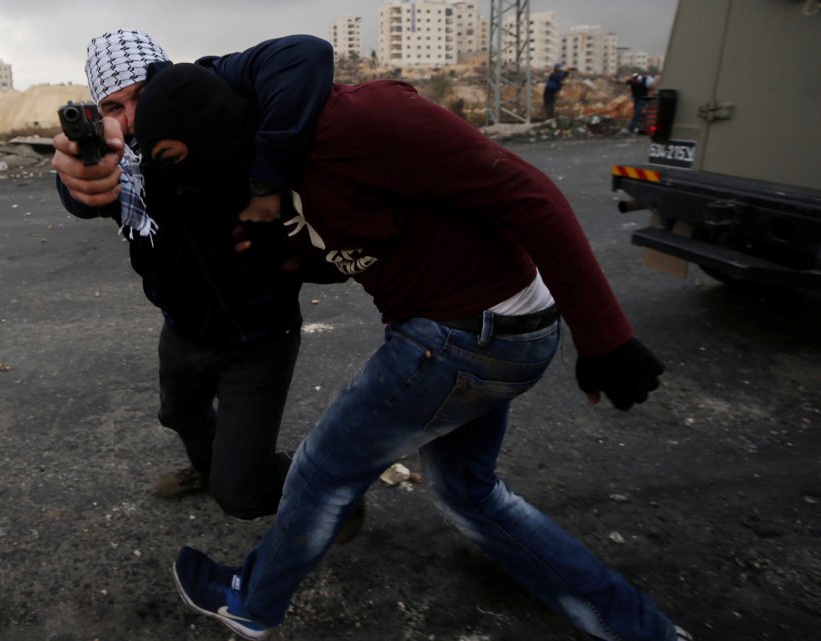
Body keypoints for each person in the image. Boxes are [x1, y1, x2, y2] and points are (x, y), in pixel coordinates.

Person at [133, 63, 694, 641]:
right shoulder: (267, 177)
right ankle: (640, 629)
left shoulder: (362, 119)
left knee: (322, 471)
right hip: (480, 337)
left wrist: (605, 338)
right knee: (468, 495)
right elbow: (361, 251)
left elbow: (529, 194)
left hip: (467, 334)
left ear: (209, 128)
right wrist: (287, 257)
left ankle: (250, 601)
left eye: (177, 158)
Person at [51, 31, 337, 520]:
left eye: (142, 94)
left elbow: (307, 54)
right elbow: (84, 190)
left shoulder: (210, 101)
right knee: (179, 415)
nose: (135, 118)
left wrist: (265, 182)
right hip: (183, 328)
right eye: (115, 107)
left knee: (242, 496)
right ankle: (213, 471)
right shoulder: (125, 164)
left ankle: (327, 488)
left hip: (258, 335)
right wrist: (74, 180)